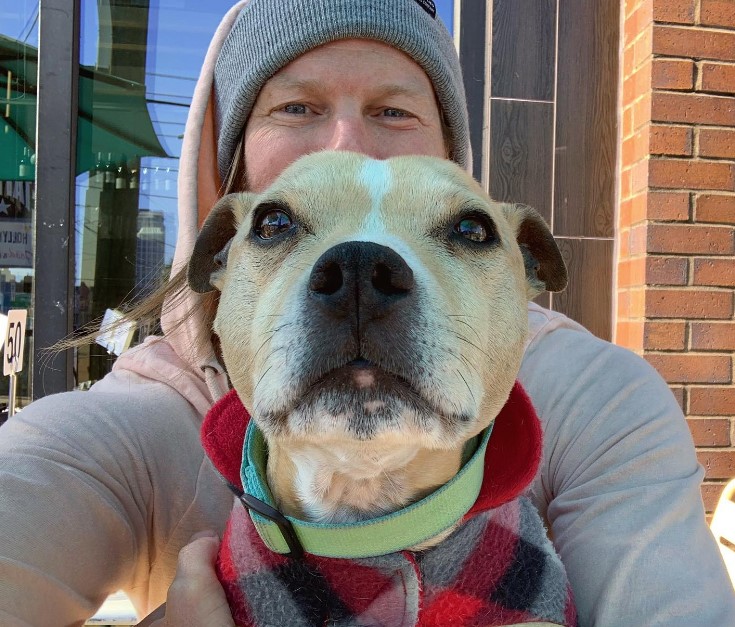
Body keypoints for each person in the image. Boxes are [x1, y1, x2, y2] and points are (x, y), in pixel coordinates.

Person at [0, 1, 733, 625]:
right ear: (220, 245)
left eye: (392, 110)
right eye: (296, 107)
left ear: (523, 270)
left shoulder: (602, 395)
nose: (347, 141)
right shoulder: (129, 425)